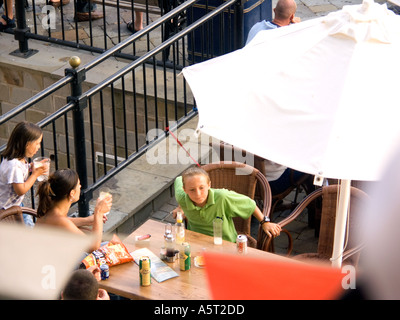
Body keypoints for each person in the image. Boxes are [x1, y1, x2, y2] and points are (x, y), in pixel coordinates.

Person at [174, 166, 281, 242]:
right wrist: (181, 207)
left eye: (202, 187)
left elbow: (250, 204)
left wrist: (264, 222)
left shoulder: (222, 197)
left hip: (226, 244)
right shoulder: (182, 196)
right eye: (192, 190)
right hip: (196, 242)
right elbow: (178, 179)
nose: (198, 194)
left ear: (209, 185)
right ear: (185, 189)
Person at [35, 168, 112, 251]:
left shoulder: (51, 207)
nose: (80, 186)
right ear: (72, 193)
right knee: (111, 247)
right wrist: (98, 213)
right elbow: (93, 247)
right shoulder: (59, 219)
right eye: (78, 184)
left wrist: (87, 220)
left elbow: (63, 224)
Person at [0, 121, 48, 227]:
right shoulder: (14, 165)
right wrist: (34, 175)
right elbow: (20, 190)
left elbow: (18, 174)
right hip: (6, 210)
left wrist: (30, 167)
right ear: (27, 144)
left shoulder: (17, 159)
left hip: (15, 205)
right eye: (37, 143)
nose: (39, 147)